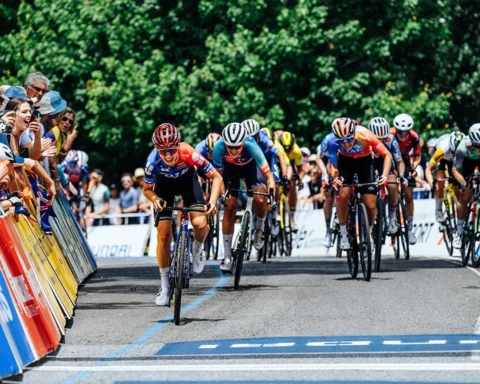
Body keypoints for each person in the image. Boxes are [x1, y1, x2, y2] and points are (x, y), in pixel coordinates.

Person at [143, 123, 222, 306]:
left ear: (178, 145)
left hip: (188, 183)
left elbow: (216, 177)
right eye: (163, 151)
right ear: (157, 149)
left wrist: (212, 201)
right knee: (163, 235)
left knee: (201, 224)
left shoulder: (188, 152)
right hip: (164, 188)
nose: (168, 155)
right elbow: (146, 189)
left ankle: (197, 248)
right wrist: (154, 198)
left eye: (171, 149)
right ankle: (165, 285)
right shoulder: (152, 161)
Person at [213, 122, 275, 273]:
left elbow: (268, 175)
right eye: (230, 147)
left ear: (243, 143)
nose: (233, 151)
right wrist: (221, 195)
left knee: (260, 198)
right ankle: (227, 257)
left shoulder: (251, 145)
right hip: (230, 171)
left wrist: (271, 193)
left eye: (237, 147)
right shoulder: (219, 147)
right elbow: (217, 176)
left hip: (250, 169)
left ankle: (259, 231)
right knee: (229, 207)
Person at [328, 118, 391, 250]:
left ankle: (368, 231)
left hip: (365, 162)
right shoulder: (332, 141)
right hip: (345, 163)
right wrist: (335, 177)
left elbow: (387, 154)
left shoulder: (365, 134)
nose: (345, 144)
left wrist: (385, 175)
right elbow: (333, 166)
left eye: (348, 139)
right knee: (343, 195)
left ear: (353, 133)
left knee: (370, 204)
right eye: (341, 141)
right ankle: (344, 234)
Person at [367, 117, 406, 235]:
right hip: (371, 165)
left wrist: (401, 176)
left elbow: (399, 161)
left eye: (383, 138)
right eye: (378, 139)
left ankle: (393, 217)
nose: (381, 141)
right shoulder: (365, 139)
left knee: (393, 186)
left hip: (386, 164)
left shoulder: (391, 139)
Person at [390, 113, 421, 244]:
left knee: (408, 195)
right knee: (390, 190)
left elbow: (418, 156)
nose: (402, 135)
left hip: (406, 161)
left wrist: (414, 166)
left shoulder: (414, 137)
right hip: (390, 160)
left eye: (405, 132)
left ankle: (409, 228)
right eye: (400, 132)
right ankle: (391, 217)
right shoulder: (390, 134)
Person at [452, 124, 480, 248]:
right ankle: (458, 231)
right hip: (467, 162)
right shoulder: (463, 147)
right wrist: (464, 183)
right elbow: (454, 170)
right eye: (477, 146)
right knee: (465, 195)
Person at [425, 131, 464, 222]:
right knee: (439, 181)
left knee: (457, 185)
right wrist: (432, 185)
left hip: (452, 162)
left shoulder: (465, 148)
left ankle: (461, 214)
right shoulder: (442, 149)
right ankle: (438, 210)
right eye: (453, 152)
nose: (454, 155)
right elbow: (428, 170)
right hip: (441, 159)